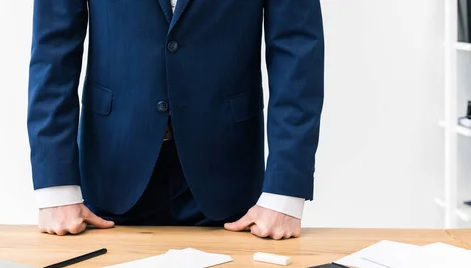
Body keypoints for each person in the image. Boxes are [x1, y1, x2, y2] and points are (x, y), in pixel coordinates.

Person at [27, 0, 324, 239]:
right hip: (110, 174)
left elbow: (297, 54)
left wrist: (285, 192)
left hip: (230, 180)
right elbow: (53, 52)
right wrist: (56, 189)